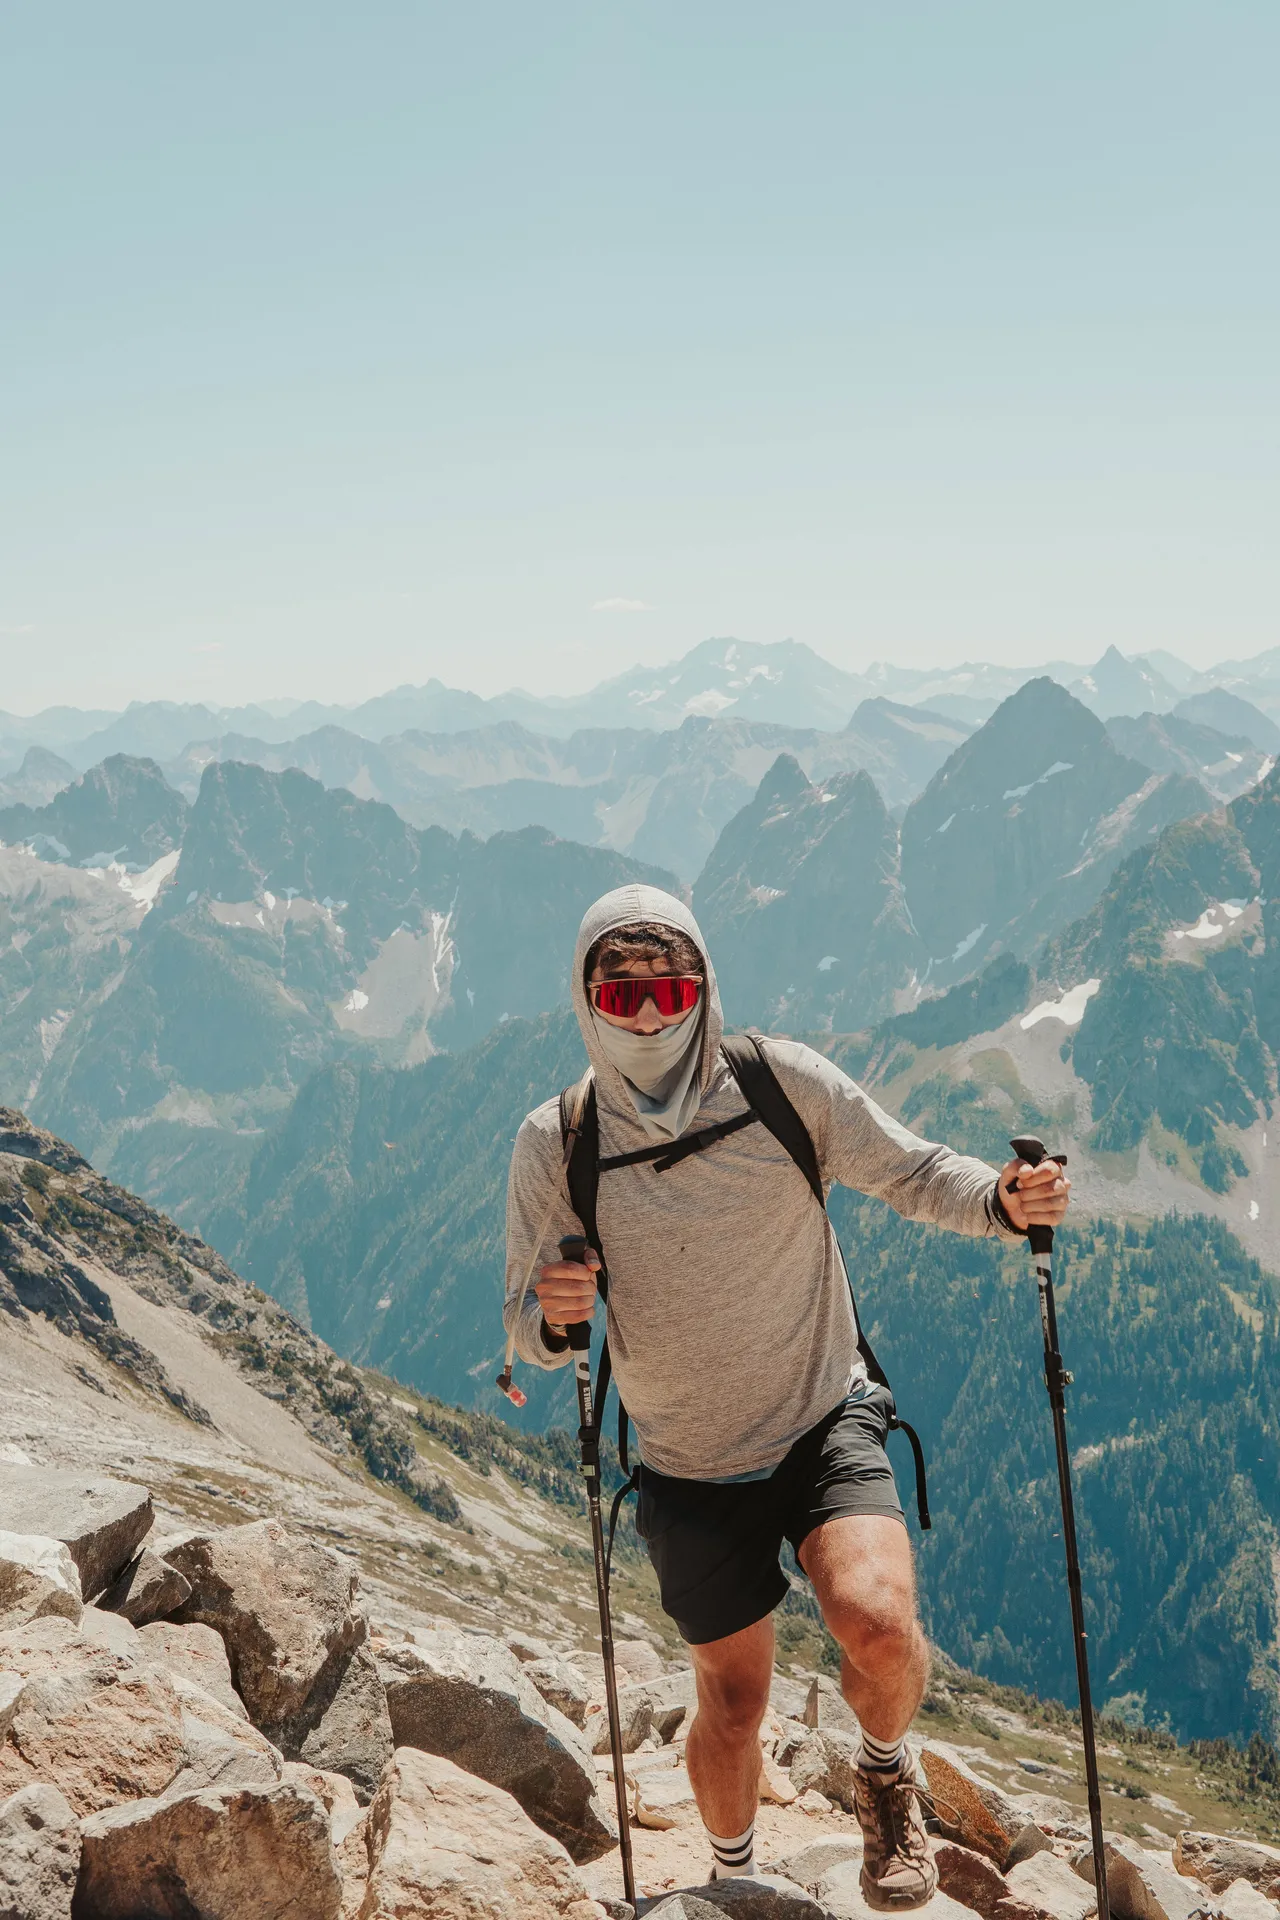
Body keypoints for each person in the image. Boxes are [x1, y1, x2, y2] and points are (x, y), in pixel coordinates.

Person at [504, 885, 1069, 1906]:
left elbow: (909, 1171)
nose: (646, 1015)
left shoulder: (776, 1084)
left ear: (703, 985)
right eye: (620, 994)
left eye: (668, 988)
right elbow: (527, 1331)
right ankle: (735, 1886)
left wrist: (1001, 1199)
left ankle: (885, 1775)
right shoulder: (557, 1142)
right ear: (584, 997)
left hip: (822, 1415)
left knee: (880, 1625)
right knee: (731, 1704)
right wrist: (552, 1316)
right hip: (684, 1458)